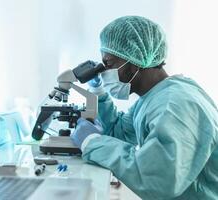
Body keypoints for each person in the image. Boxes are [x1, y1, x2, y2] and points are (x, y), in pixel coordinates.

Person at [70, 16, 218, 200]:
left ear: (133, 63)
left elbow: (158, 178)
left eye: (108, 64)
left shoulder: (174, 104)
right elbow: (120, 133)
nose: (103, 71)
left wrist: (91, 142)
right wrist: (98, 92)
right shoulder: (154, 97)